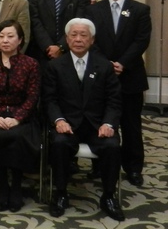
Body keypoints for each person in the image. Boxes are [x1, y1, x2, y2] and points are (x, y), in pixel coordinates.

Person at [44, 18, 124, 221]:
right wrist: (59, 120)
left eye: (83, 35)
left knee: (112, 146)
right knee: (59, 143)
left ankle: (108, 196)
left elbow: (114, 100)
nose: (78, 39)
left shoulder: (104, 66)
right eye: (73, 35)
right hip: (67, 125)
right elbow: (49, 100)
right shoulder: (55, 66)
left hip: (97, 126)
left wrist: (108, 124)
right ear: (67, 38)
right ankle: (61, 193)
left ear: (92, 40)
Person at [86, 0, 151, 187]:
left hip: (130, 76)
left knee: (131, 125)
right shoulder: (93, 10)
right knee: (100, 123)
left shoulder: (140, 10)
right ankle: (99, 166)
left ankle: (133, 168)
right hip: (101, 78)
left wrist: (122, 63)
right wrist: (106, 65)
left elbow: (141, 41)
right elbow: (89, 42)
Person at [0, 20, 41, 212]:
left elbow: (33, 96)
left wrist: (17, 118)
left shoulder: (31, 64)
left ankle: (17, 186)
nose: (5, 40)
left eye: (10, 36)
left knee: (17, 136)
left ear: (20, 40)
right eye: (1, 36)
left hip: (22, 116)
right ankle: (3, 185)